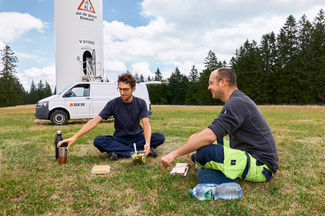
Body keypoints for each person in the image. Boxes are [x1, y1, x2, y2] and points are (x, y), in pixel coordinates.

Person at [160, 67, 279, 184]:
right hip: (245, 151)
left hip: (261, 165)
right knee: (202, 144)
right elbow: (215, 129)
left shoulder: (236, 103)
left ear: (223, 82)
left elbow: (210, 136)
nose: (208, 87)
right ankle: (210, 163)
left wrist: (174, 154)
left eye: (210, 83)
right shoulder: (237, 100)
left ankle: (228, 174)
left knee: (204, 152)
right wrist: (196, 136)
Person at [57, 73, 165, 160]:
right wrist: (74, 137)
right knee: (98, 141)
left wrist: (147, 142)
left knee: (160, 137)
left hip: (137, 138)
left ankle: (121, 151)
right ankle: (137, 152)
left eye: (126, 89)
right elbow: (94, 121)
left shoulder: (141, 103)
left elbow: (146, 126)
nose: (122, 92)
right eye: (120, 89)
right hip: (119, 139)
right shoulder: (112, 104)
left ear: (133, 89)